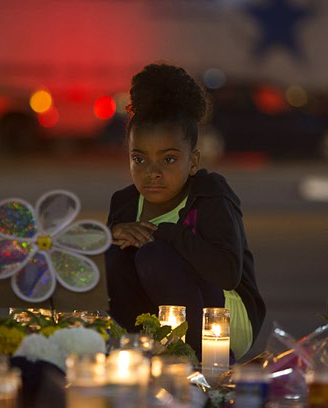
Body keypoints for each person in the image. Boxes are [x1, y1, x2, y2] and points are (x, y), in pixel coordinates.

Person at [105, 63, 266, 360]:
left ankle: (195, 360)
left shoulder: (210, 194)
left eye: (168, 160)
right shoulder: (125, 203)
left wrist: (168, 234)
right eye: (139, 160)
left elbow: (228, 274)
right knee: (114, 254)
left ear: (193, 162)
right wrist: (109, 235)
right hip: (163, 313)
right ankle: (146, 349)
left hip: (221, 323)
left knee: (153, 254)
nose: (152, 172)